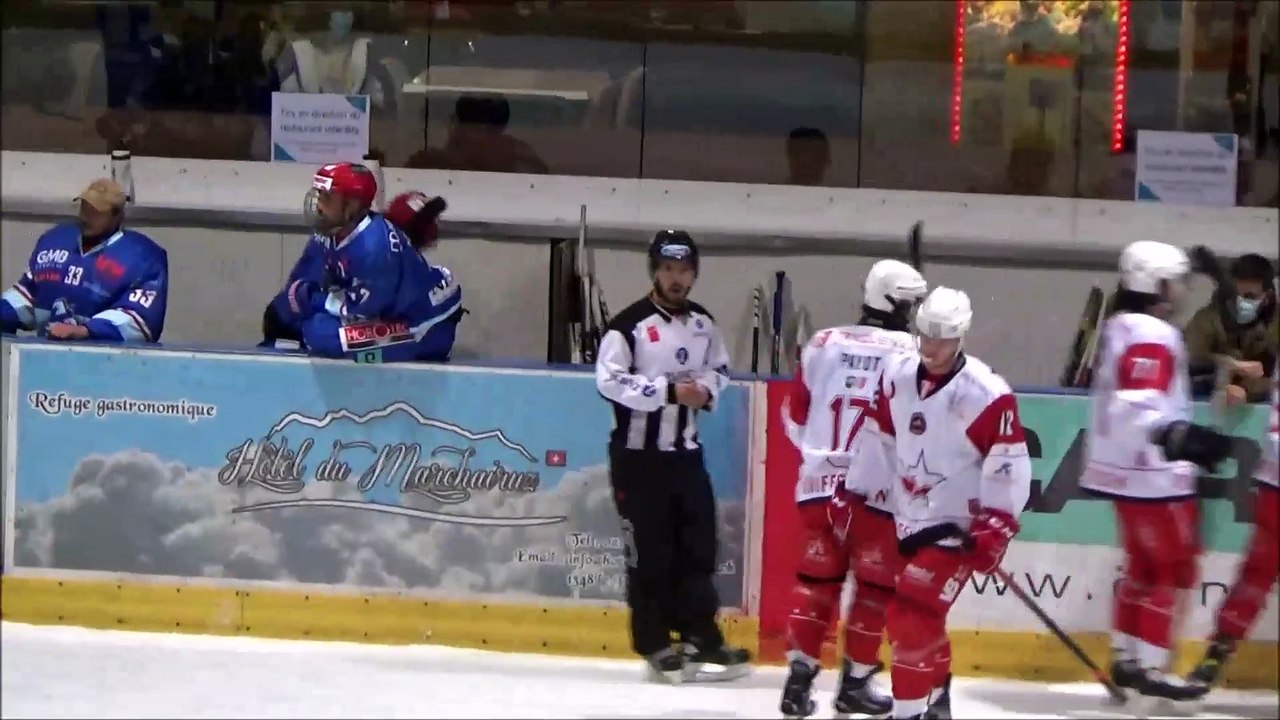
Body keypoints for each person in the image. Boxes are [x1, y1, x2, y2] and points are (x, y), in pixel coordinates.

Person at [862, 286, 1033, 720]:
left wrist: (997, 526)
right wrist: (858, 494)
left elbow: (1008, 464)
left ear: (961, 337)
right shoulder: (897, 375)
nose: (931, 348)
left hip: (957, 528)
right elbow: (879, 439)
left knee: (910, 615)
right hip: (908, 519)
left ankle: (909, 713)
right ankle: (937, 700)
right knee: (923, 618)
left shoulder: (987, 393)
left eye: (943, 338)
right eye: (926, 336)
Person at [1079, 240, 1234, 707]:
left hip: (1122, 470)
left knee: (1143, 569)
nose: (1183, 289)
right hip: (1153, 474)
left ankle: (1127, 659)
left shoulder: (1121, 326)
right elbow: (1138, 400)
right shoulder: (1152, 332)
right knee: (1173, 570)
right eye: (1178, 281)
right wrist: (1176, 435)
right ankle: (1149, 668)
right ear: (1158, 284)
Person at [593, 230, 750, 684]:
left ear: (694, 273)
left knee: (698, 549)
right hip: (638, 460)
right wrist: (666, 391)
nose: (676, 278)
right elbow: (608, 380)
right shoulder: (630, 326)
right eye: (667, 269)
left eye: (683, 270)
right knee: (650, 554)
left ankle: (701, 634)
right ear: (654, 271)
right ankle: (656, 641)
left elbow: (720, 368)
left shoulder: (703, 322)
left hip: (686, 456)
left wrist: (706, 390)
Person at [777, 259, 928, 718]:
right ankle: (855, 683)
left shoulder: (823, 342)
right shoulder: (914, 351)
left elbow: (795, 417)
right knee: (874, 591)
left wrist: (823, 460)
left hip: (818, 490)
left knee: (816, 584)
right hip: (874, 495)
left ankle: (798, 681)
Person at [266, 163, 463, 362]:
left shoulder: (375, 249)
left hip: (420, 323)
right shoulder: (331, 229)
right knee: (281, 312)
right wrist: (295, 302)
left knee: (324, 337)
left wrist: (310, 300)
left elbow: (361, 310)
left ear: (351, 205)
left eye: (326, 197)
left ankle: (419, 350)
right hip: (380, 307)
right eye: (318, 195)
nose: (318, 205)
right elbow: (301, 285)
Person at [1188, 369, 1278, 689]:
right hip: (1275, 486)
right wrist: (1245, 385)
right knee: (1256, 574)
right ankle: (1219, 648)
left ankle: (1218, 650)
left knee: (1256, 575)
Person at [1, 178, 168, 344]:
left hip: (103, 364)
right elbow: (29, 293)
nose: (87, 217)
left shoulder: (143, 256)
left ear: (118, 216)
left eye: (97, 212)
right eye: (85, 209)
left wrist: (85, 331)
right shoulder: (55, 240)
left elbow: (139, 319)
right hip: (45, 358)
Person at [1184, 253, 1277, 403]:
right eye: (1236, 296)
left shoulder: (1275, 321)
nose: (1241, 302)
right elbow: (1190, 356)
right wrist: (1229, 367)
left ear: (1267, 295)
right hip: (1213, 391)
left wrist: (1247, 389)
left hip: (1262, 396)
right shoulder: (1209, 317)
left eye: (1250, 297)